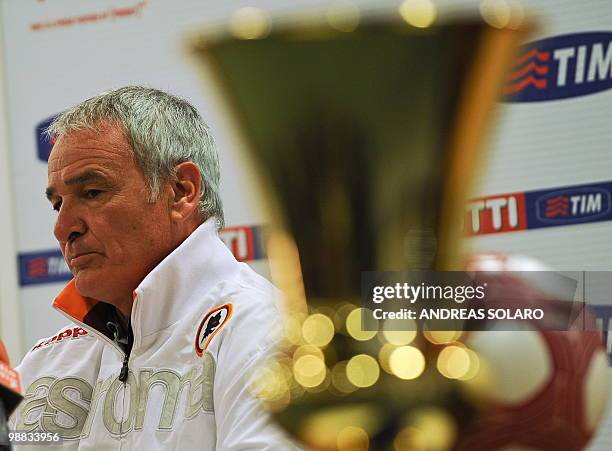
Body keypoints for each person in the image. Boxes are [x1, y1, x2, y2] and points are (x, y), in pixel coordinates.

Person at [9, 86, 295, 449]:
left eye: (92, 193)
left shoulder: (263, 330)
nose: (63, 227)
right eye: (57, 204)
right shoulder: (52, 359)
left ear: (181, 190)